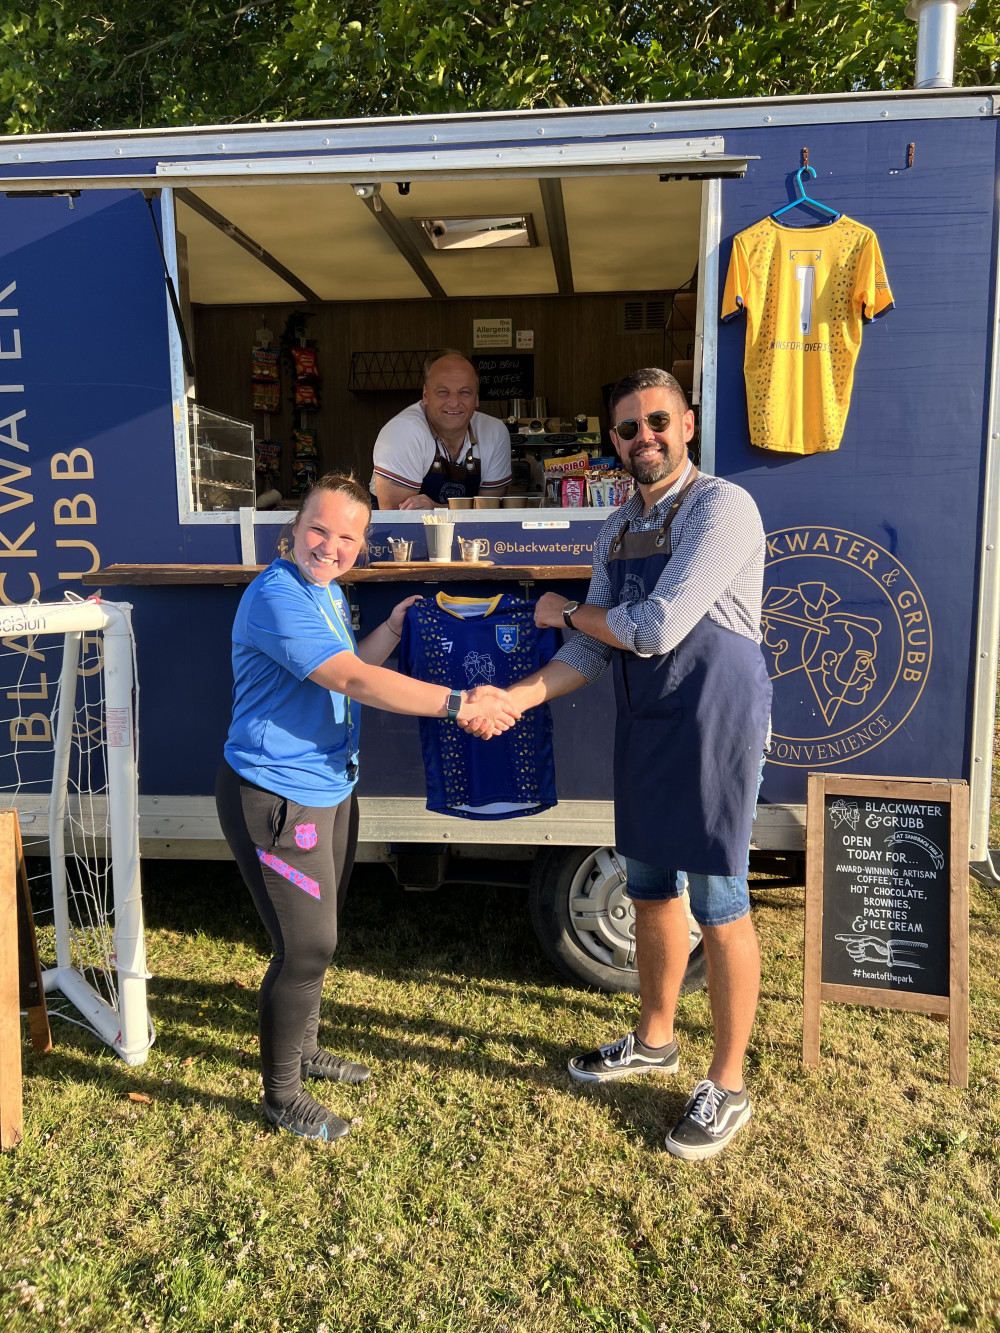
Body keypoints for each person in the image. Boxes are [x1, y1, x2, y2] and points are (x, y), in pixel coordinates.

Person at [505, 368, 771, 1162]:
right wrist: (519, 697)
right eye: (627, 428)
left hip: (714, 718)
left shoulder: (722, 506)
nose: (643, 437)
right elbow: (592, 648)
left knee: (721, 899)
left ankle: (728, 1084)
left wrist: (559, 609)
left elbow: (652, 627)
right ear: (613, 442)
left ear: (686, 424)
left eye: (657, 421)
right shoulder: (616, 530)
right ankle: (656, 1039)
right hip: (648, 719)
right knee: (650, 886)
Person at [215, 473, 518, 1143]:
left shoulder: (323, 591)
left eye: (348, 536)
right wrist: (457, 704)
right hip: (276, 797)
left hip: (329, 788)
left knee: (322, 930)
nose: (331, 545)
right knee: (307, 945)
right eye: (319, 529)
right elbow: (351, 679)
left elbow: (347, 660)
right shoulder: (275, 595)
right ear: (291, 530)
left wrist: (386, 627)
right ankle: (282, 1093)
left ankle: (307, 1048)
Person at [370, 350, 511, 509]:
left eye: (464, 392)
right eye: (443, 392)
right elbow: (398, 517)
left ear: (476, 398)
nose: (454, 402)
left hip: (471, 534)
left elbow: (489, 514)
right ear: (426, 395)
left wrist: (436, 509)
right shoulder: (403, 432)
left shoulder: (494, 432)